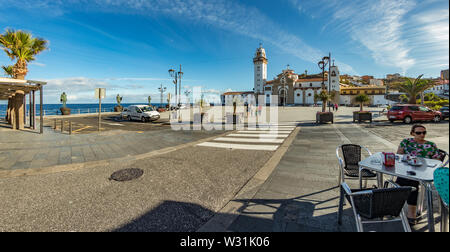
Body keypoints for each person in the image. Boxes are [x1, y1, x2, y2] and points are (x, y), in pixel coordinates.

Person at [396, 124, 442, 224]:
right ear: (412, 133)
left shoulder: (431, 145)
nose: (422, 135)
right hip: (407, 168)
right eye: (418, 133)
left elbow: (438, 161)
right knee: (406, 180)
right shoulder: (406, 142)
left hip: (423, 171)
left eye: (424, 132)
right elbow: (399, 156)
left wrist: (428, 162)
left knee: (409, 182)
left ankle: (408, 211)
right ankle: (408, 210)